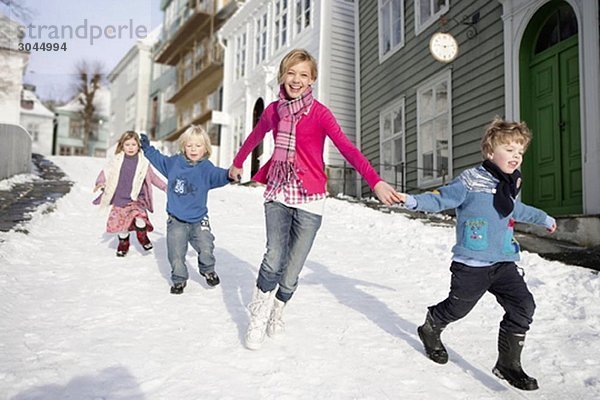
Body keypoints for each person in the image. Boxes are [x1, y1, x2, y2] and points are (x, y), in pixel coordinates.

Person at [228, 48, 402, 350]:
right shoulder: (273, 110)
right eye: (291, 73)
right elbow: (255, 136)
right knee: (274, 257)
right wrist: (238, 161)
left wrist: (374, 180)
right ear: (283, 75)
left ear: (312, 80)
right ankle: (257, 315)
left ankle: (278, 310)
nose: (296, 80)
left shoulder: (320, 113)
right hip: (279, 190)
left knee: (293, 268)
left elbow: (347, 148)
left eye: (303, 75)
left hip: (310, 197)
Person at [396, 117, 557, 391]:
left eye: (520, 152)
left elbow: (513, 210)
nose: (516, 156)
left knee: (523, 306)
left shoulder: (510, 183)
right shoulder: (470, 180)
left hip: (504, 260)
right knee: (458, 308)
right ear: (490, 151)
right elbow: (440, 198)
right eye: (509, 149)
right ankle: (431, 325)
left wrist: (542, 217)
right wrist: (411, 200)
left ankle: (508, 364)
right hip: (472, 264)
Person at [140, 126, 231, 294]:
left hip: (199, 219)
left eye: (198, 145)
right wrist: (146, 148)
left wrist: (230, 174)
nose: (194, 149)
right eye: (189, 146)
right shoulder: (174, 163)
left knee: (206, 246)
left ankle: (208, 270)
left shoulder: (206, 168)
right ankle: (179, 280)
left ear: (205, 148)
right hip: (176, 220)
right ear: (183, 146)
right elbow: (158, 159)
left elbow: (220, 175)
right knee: (175, 253)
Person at [93, 130, 167, 257]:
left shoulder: (143, 162)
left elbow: (153, 177)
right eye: (127, 145)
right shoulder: (116, 160)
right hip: (120, 199)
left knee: (140, 219)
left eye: (134, 144)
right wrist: (100, 183)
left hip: (136, 199)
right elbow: (105, 173)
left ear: (138, 146)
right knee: (122, 226)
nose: (131, 148)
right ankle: (123, 242)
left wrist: (165, 187)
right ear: (122, 146)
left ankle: (142, 236)